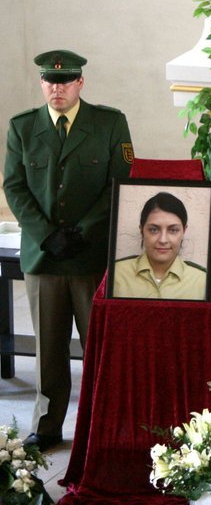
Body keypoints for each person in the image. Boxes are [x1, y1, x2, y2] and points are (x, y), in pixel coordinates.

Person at [3, 50, 133, 452]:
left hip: (89, 253)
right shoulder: (23, 127)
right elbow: (14, 186)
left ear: (80, 83)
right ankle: (46, 425)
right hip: (44, 256)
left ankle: (101, 424)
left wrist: (82, 231)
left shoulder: (109, 124)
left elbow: (120, 181)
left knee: (98, 345)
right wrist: (47, 234)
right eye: (50, 81)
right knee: (48, 347)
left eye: (65, 81)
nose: (56, 88)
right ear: (42, 83)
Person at [112, 192, 207, 300]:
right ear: (142, 230)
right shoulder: (116, 273)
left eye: (173, 230)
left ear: (184, 231)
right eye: (153, 230)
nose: (163, 240)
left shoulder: (202, 280)